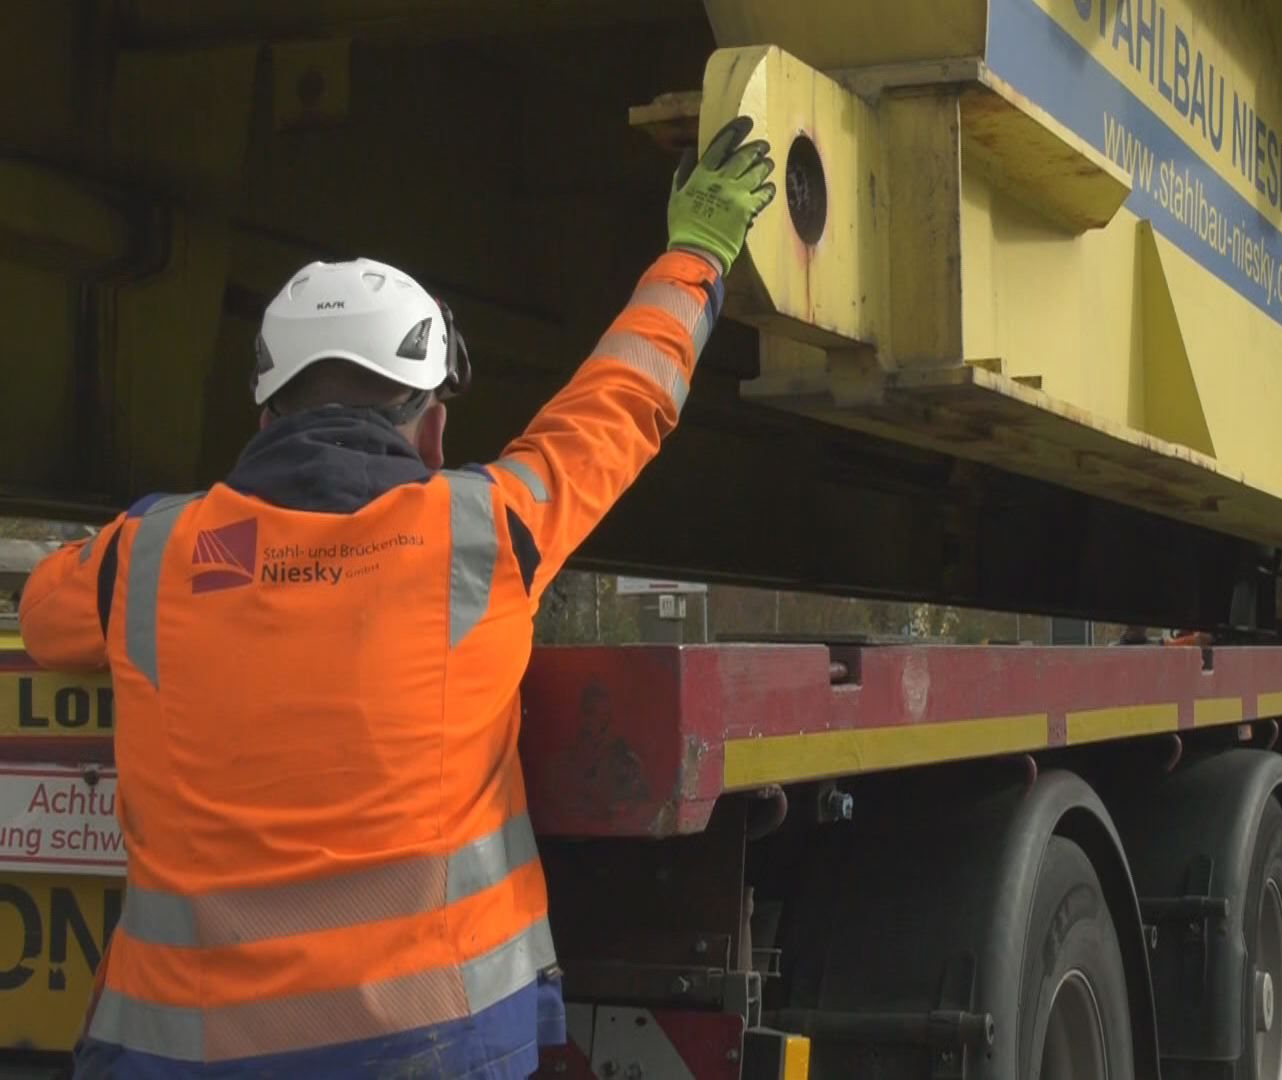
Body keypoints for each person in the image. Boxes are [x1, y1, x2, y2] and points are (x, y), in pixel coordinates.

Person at [18, 117, 776, 1078]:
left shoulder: (149, 559)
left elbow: (46, 614)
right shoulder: (484, 534)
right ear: (432, 428)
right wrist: (696, 251)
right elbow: (623, 402)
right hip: (436, 1047)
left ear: (264, 413)